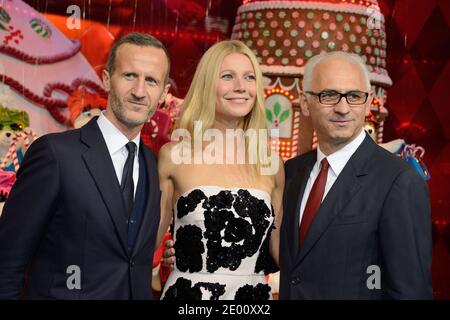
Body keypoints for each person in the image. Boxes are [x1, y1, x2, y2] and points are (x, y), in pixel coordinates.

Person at [0, 32, 170, 299]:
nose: (139, 91)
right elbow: (7, 263)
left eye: (151, 81)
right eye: (129, 76)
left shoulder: (150, 162)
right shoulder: (55, 155)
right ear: (106, 79)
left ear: (163, 92)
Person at [280, 51, 432, 299]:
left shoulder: (399, 181)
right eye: (328, 95)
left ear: (369, 101)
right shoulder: (292, 172)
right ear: (305, 103)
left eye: (353, 96)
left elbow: (410, 291)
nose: (343, 108)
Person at [156, 40, 284, 300]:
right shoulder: (173, 156)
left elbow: (282, 253)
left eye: (249, 77)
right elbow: (145, 247)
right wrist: (169, 253)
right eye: (227, 76)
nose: (241, 87)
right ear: (206, 85)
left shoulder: (271, 164)